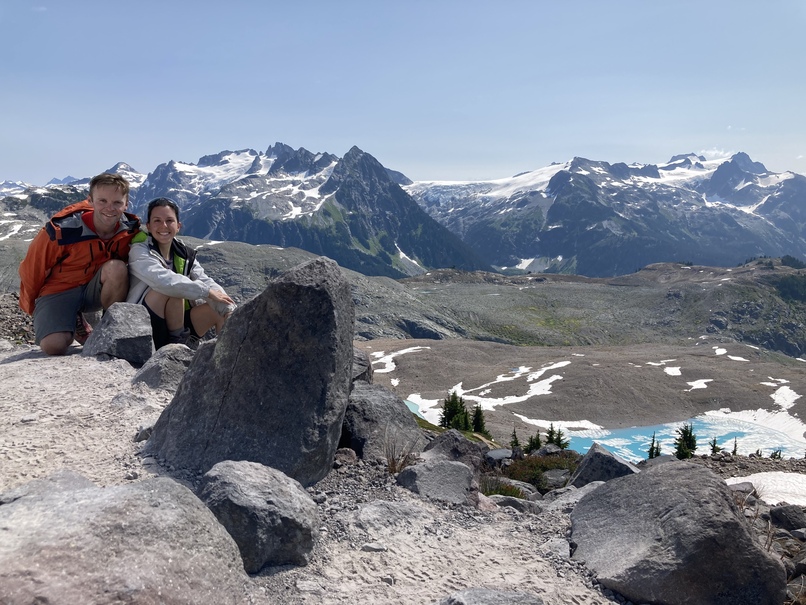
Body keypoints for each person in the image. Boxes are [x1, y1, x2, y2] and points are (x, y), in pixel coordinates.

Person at [19, 173, 140, 356]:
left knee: (117, 268)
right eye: (102, 201)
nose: (110, 208)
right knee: (54, 346)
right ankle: (74, 321)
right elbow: (32, 269)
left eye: (117, 203)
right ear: (90, 201)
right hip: (59, 290)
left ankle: (109, 329)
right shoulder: (63, 230)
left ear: (126, 204)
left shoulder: (130, 230)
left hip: (93, 289)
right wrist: (31, 307)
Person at [126, 197, 236, 349]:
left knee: (219, 310)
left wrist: (229, 309)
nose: (164, 226)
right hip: (144, 326)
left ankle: (225, 361)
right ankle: (177, 347)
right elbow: (163, 281)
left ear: (178, 226)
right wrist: (206, 292)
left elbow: (205, 280)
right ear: (149, 226)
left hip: (179, 322)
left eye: (169, 220)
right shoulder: (139, 250)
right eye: (157, 220)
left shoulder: (184, 254)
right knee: (174, 289)